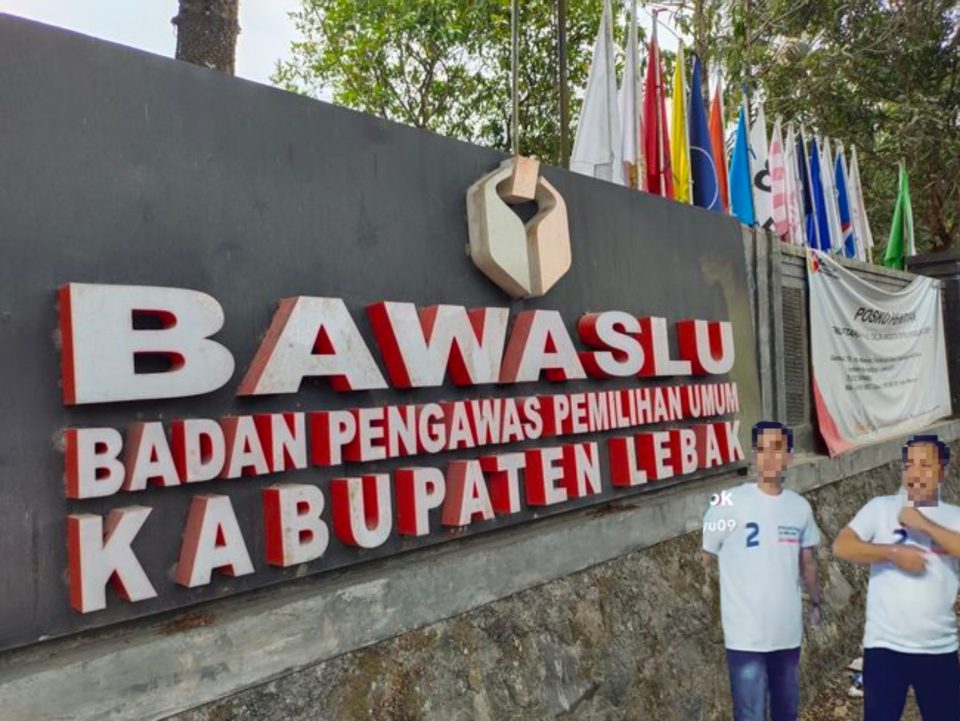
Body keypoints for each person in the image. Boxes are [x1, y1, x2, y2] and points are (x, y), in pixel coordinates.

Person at [833, 434, 960, 721]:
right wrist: (891, 552)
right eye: (909, 464)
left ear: (942, 472)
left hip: (938, 648)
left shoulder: (953, 516)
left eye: (925, 465)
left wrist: (924, 525)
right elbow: (842, 545)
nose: (915, 472)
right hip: (884, 648)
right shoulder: (880, 508)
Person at [702, 420, 822, 721]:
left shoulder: (799, 507)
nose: (770, 457)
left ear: (789, 456)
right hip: (745, 634)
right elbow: (706, 554)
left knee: (786, 710)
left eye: (778, 449)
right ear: (754, 454)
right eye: (763, 449)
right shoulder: (727, 502)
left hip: (787, 633)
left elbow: (807, 562)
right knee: (750, 713)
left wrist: (816, 600)